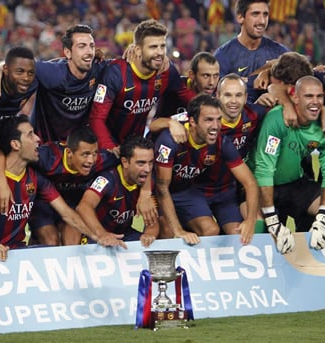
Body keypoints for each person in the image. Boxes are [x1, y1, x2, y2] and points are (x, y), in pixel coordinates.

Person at [0, 115, 125, 261]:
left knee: (56, 254)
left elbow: (67, 214)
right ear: (15, 144)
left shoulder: (36, 179)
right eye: (30, 135)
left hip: (18, 254)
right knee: (50, 241)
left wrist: (98, 236)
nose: (38, 139)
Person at [252, 76, 325, 268]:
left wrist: (323, 216)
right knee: (256, 223)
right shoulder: (277, 119)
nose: (315, 102)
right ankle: (255, 286)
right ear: (295, 98)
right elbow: (264, 170)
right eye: (308, 96)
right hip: (262, 185)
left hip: (293, 183)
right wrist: (272, 221)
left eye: (318, 97)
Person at [154, 94, 258, 244]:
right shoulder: (170, 141)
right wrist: (178, 230)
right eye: (209, 120)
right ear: (192, 122)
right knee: (167, 232)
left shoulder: (222, 142)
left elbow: (250, 182)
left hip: (185, 190)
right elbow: (161, 188)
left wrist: (250, 221)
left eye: (218, 119)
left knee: (211, 231)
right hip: (157, 190)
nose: (216, 126)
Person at [88, 19, 182, 155]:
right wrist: (110, 147)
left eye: (162, 46)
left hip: (137, 148)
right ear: (137, 49)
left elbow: (186, 96)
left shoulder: (166, 70)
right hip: (107, 150)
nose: (160, 52)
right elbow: (96, 118)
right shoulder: (115, 73)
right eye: (153, 47)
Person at [195, 74, 269, 233]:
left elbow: (286, 104)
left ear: (246, 97)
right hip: (197, 189)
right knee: (206, 232)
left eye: (238, 95)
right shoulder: (204, 119)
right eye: (227, 95)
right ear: (217, 96)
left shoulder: (254, 114)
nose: (233, 101)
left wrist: (276, 94)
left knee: (245, 231)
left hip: (229, 190)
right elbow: (166, 124)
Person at [30, 126, 119, 245]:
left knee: (72, 244)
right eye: (85, 154)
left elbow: (131, 157)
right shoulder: (46, 157)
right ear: (69, 153)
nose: (91, 160)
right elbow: (15, 158)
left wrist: (145, 192)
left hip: (72, 206)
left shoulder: (102, 160)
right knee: (50, 242)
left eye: (94, 153)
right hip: (43, 205)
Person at [76, 135, 159, 248]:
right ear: (125, 162)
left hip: (125, 234)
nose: (147, 169)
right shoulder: (106, 179)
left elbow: (153, 223)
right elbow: (84, 206)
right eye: (141, 163)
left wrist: (149, 235)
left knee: (151, 246)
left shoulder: (146, 184)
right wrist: (102, 234)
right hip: (97, 234)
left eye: (150, 163)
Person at [214, 0, 288, 103]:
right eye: (255, 14)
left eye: (265, 14)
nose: (262, 21)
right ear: (240, 17)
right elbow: (219, 98)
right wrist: (266, 69)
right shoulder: (223, 56)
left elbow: (297, 86)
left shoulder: (280, 52)